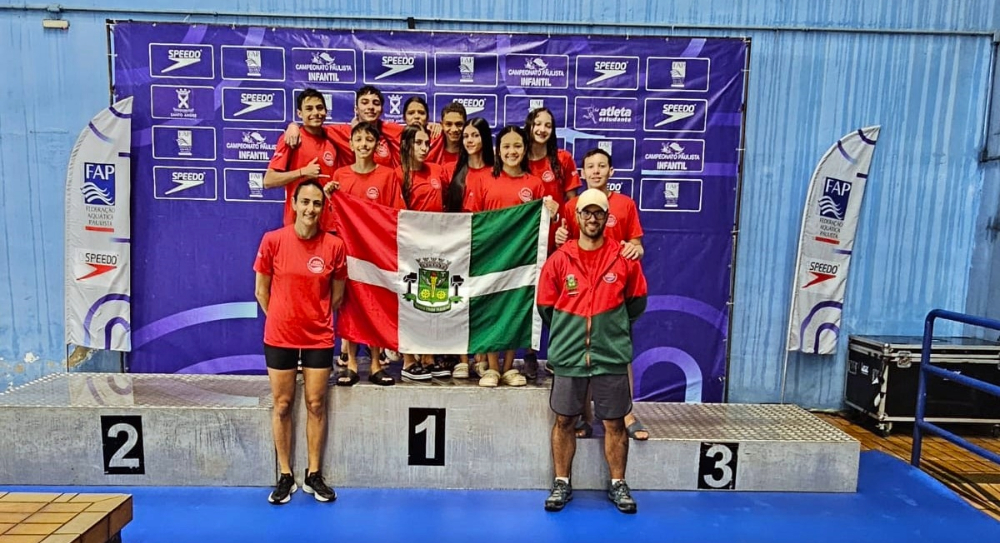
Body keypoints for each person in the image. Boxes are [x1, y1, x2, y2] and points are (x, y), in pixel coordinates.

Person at [536, 188, 647, 514]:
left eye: (599, 212)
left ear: (606, 217)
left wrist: (609, 328)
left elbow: (637, 302)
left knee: (614, 423)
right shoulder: (559, 260)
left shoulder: (623, 259)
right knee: (564, 420)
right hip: (569, 355)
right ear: (577, 217)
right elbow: (545, 306)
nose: (592, 218)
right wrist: (570, 333)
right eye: (587, 212)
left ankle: (618, 484)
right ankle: (561, 482)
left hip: (609, 355)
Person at [254, 180, 346, 505]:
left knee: (316, 404)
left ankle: (313, 474)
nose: (310, 209)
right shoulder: (273, 241)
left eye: (317, 203)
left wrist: (312, 319)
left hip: (318, 338)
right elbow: (261, 291)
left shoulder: (334, 246)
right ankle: (285, 475)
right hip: (280, 336)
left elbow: (337, 297)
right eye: (305, 202)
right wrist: (283, 318)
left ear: (323, 208)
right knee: (282, 405)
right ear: (293, 204)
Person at [550, 148, 648, 440]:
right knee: (581, 358)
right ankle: (585, 416)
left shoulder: (626, 204)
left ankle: (627, 414)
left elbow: (638, 246)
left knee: (618, 356)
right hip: (580, 295)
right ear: (582, 173)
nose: (596, 171)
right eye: (590, 166)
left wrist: (633, 250)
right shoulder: (572, 206)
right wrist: (558, 237)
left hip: (613, 292)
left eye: (601, 166)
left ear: (611, 171)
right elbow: (563, 247)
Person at [323, 122, 404, 387]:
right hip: (348, 252)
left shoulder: (388, 175)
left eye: (369, 140)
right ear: (351, 144)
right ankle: (351, 364)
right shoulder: (341, 175)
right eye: (358, 139)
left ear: (377, 145)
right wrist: (330, 196)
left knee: (375, 304)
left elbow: (395, 215)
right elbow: (336, 216)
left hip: (377, 253)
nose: (363, 144)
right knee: (348, 305)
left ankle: (377, 364)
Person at [466, 126, 545, 388]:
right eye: (506, 146)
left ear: (525, 149)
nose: (512, 151)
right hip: (489, 258)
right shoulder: (483, 179)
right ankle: (491, 367)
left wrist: (552, 210)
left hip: (521, 259)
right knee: (490, 309)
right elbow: (473, 220)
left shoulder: (534, 183)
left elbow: (542, 223)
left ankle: (509, 367)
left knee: (514, 309)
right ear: (498, 151)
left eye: (517, 146)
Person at [523, 107, 582, 379]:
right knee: (529, 299)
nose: (542, 129)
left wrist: (563, 221)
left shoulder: (562, 159)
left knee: (560, 299)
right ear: (529, 126)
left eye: (547, 125)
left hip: (558, 242)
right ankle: (530, 354)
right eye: (537, 124)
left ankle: (558, 354)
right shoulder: (519, 156)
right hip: (526, 242)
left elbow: (573, 203)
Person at [395, 124, 452, 381]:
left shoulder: (437, 170)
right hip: (409, 248)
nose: (424, 148)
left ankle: (428, 356)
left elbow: (447, 205)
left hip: (436, 248)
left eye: (427, 143)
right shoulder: (397, 175)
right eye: (418, 143)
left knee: (432, 301)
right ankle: (409, 359)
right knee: (409, 303)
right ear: (406, 145)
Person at [445, 117, 495, 379]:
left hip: (487, 246)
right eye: (466, 136)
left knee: (484, 301)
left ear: (484, 138)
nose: (469, 140)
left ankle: (482, 357)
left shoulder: (496, 172)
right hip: (459, 246)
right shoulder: (455, 172)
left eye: (475, 135)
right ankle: (462, 358)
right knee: (459, 300)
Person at [263, 88, 336, 233]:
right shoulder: (292, 139)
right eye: (309, 109)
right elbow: (268, 180)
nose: (315, 113)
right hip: (298, 225)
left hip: (329, 226)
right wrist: (302, 172)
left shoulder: (333, 139)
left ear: (326, 111)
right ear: (299, 113)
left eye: (319, 108)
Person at [284, 85, 405, 169]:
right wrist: (293, 126)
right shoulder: (341, 132)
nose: (370, 107)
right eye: (364, 102)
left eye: (376, 103)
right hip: (351, 194)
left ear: (381, 110)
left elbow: (413, 131)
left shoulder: (390, 131)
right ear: (356, 109)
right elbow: (313, 127)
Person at [427, 102, 467, 167]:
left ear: (465, 124)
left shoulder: (473, 151)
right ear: (442, 125)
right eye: (449, 124)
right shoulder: (430, 145)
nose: (454, 129)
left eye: (459, 124)